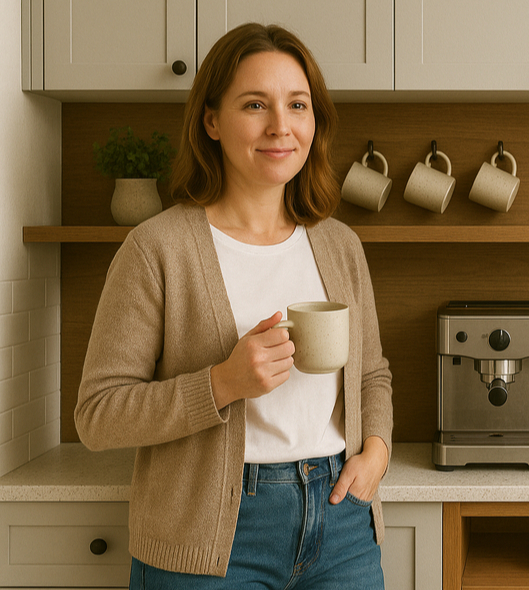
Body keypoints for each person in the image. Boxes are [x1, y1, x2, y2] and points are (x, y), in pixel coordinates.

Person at [74, 23, 393, 589]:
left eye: (297, 104)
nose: (280, 126)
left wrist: (377, 453)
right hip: (210, 538)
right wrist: (220, 383)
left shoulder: (339, 243)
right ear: (212, 121)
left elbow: (371, 373)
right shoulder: (158, 249)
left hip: (344, 526)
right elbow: (98, 415)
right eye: (254, 104)